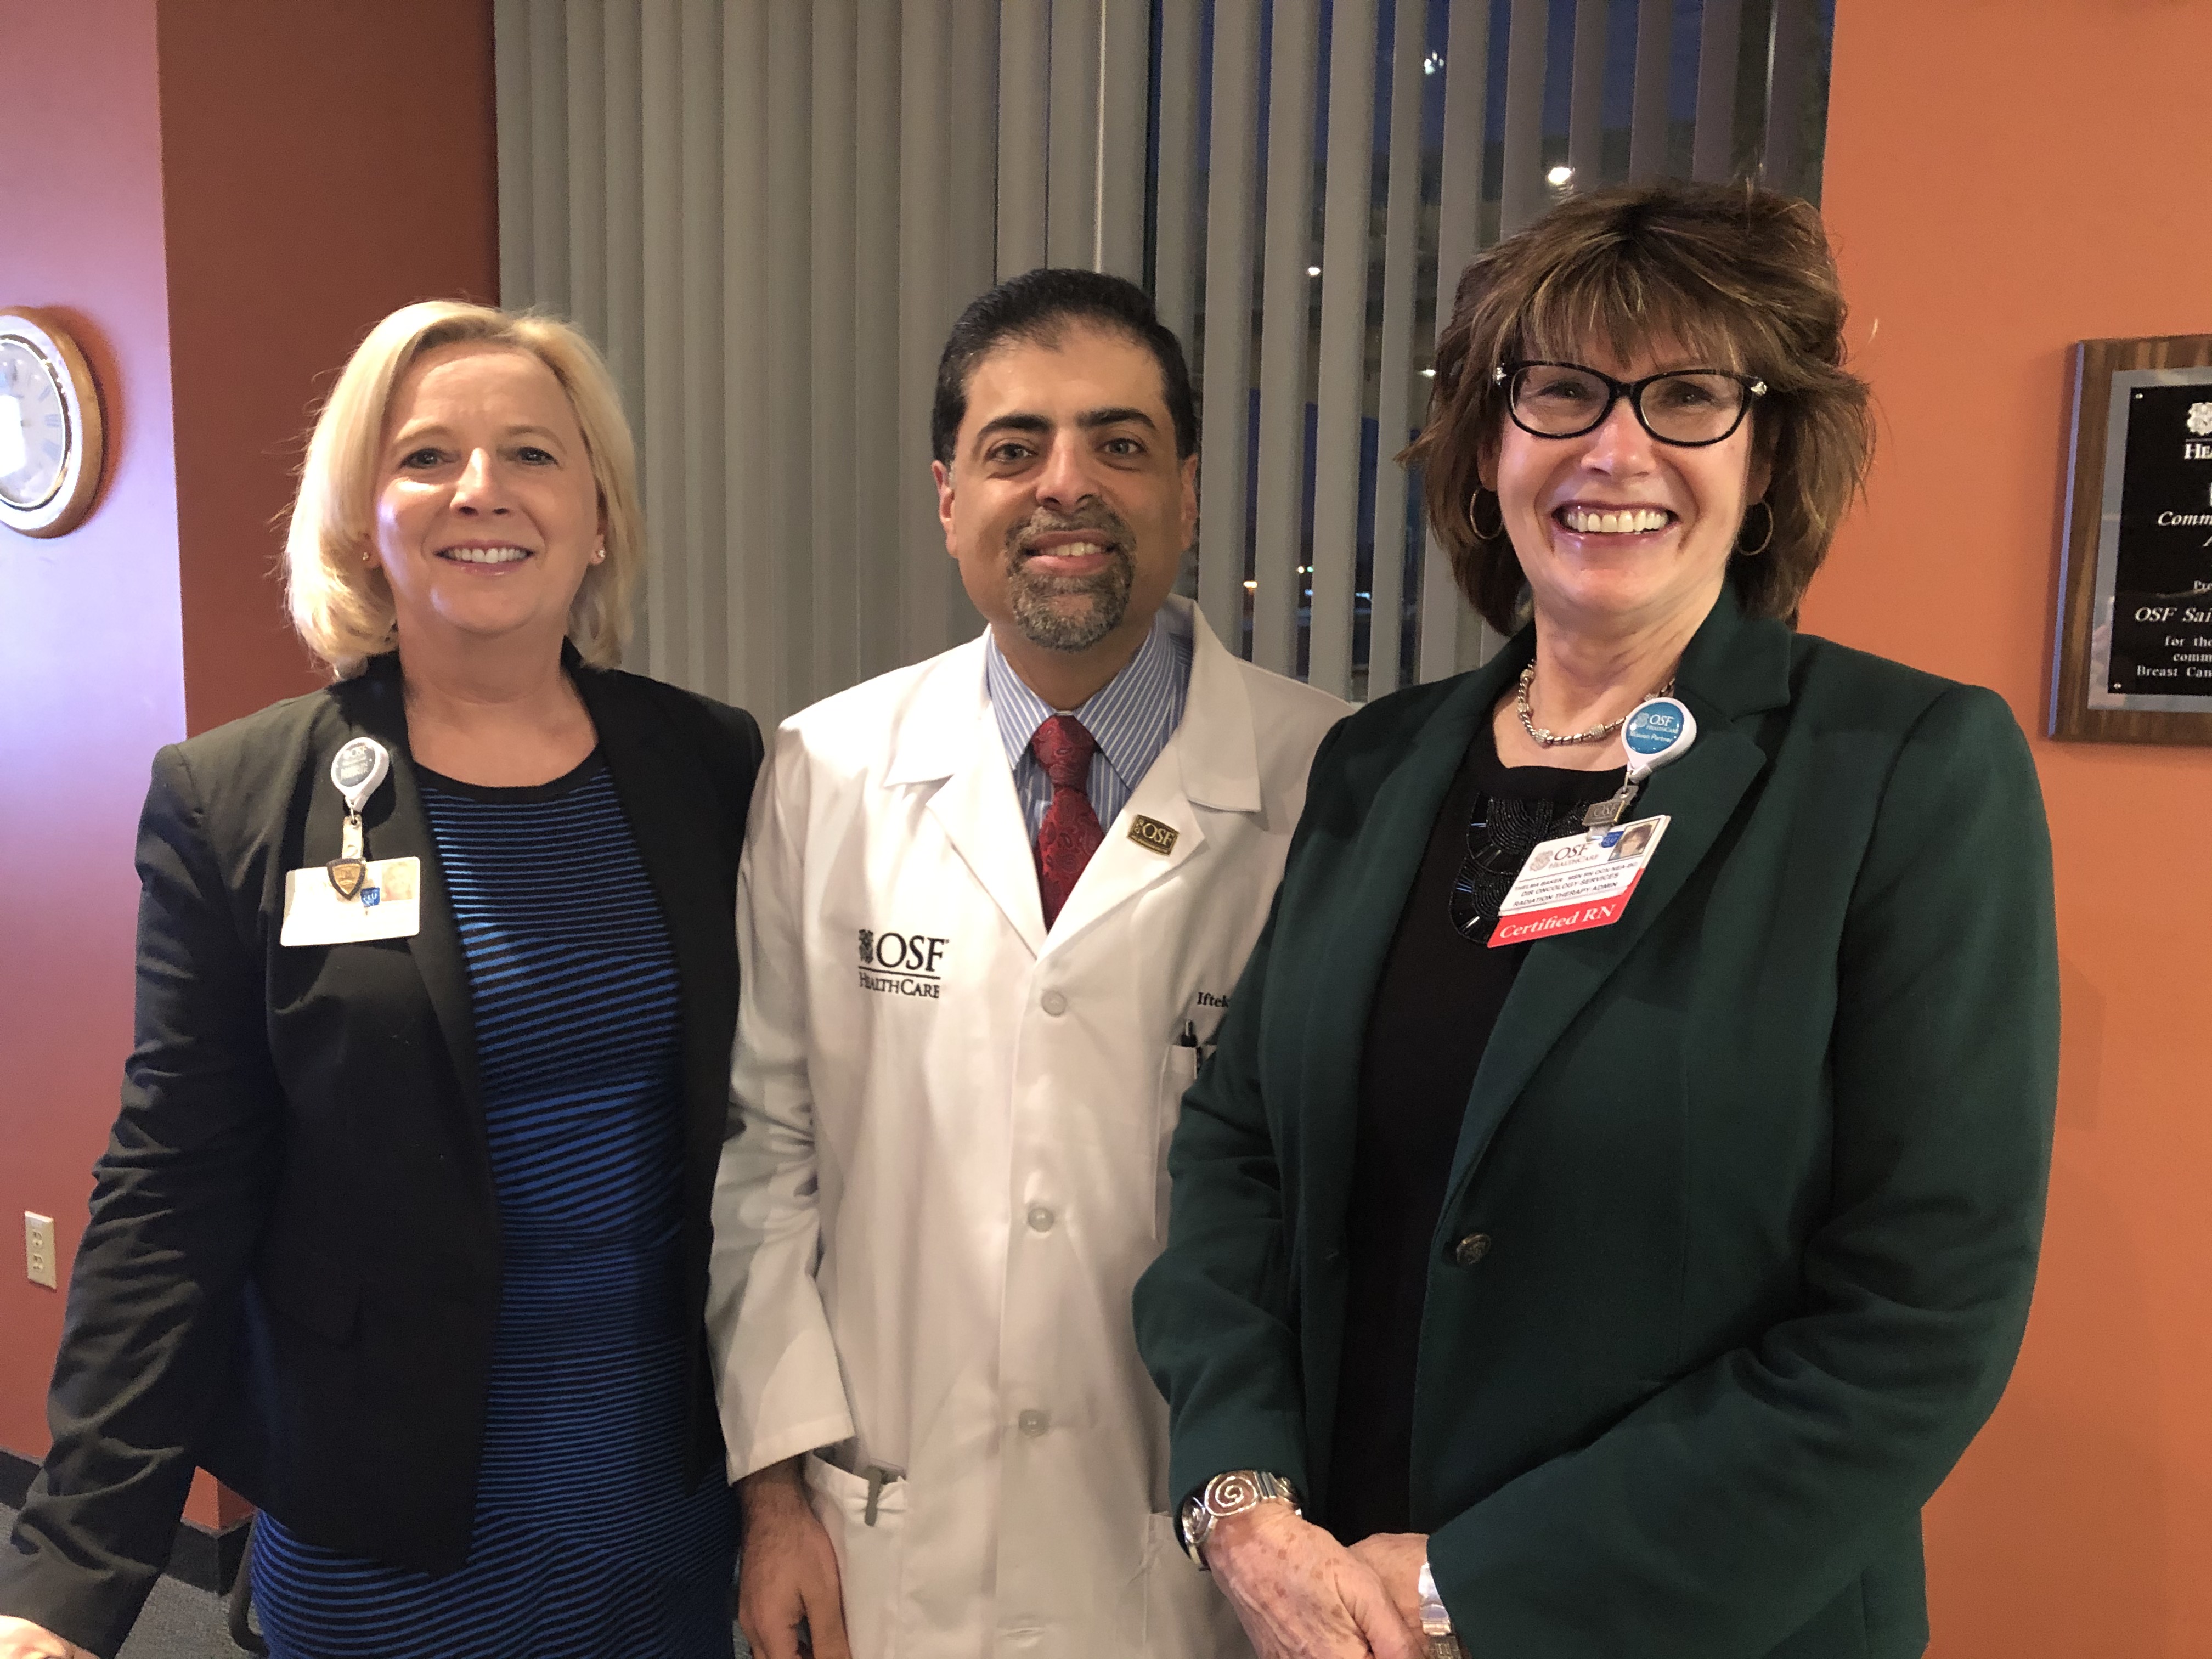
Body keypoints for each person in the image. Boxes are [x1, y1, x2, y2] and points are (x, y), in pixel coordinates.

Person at [1133, 180, 2059, 1659]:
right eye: (1561, 390)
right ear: (1492, 445)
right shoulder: (1377, 765)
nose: (1615, 448)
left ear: (1766, 457)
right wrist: (1240, 1503)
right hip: (1328, 1618)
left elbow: (1915, 1324)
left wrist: (1466, 1591)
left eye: (1687, 395)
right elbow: (1238, 1150)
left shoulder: (1902, 771)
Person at [0, 302, 763, 1659]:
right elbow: (172, 1190)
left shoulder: (709, 766)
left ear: (598, 514)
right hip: (385, 1526)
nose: (483, 490)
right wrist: (67, 1581)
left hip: (668, 1501)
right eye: (427, 458)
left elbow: (773, 1132)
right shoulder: (237, 801)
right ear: (363, 518)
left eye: (534, 453)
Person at [707, 269, 1348, 1659]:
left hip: (1198, 1550)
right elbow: (767, 1159)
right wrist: (773, 1498)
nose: (1067, 485)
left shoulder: (1337, 782)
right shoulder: (826, 768)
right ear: (949, 499)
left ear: (1185, 489)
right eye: (1016, 448)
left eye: (1119, 445)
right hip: (886, 1533)